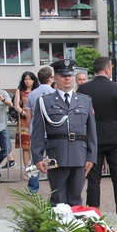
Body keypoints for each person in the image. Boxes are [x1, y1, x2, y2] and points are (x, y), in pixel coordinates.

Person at [30, 59, 97, 206]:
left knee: (76, 199)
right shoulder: (45, 101)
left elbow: (91, 131)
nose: (67, 78)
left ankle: (75, 228)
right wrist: (37, 157)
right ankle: (58, 228)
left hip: (79, 154)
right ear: (55, 78)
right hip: (57, 155)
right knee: (58, 200)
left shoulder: (85, 101)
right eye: (63, 75)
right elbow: (38, 132)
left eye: (70, 75)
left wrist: (91, 156)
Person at [78, 57, 117, 227]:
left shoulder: (83, 88)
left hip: (93, 137)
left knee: (93, 179)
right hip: (114, 136)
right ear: (108, 70)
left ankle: (93, 217)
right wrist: (116, 120)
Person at [25, 66, 55, 193]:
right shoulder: (54, 93)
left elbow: (28, 115)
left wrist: (30, 128)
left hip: (36, 130)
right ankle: (55, 185)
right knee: (54, 158)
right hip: (51, 131)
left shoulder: (32, 94)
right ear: (50, 78)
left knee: (35, 158)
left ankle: (32, 187)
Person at [13, 72, 38, 176]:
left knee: (36, 145)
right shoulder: (20, 91)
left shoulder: (37, 91)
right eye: (26, 79)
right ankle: (28, 170)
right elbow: (16, 106)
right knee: (26, 146)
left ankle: (37, 168)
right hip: (24, 120)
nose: (28, 81)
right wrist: (24, 113)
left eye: (30, 79)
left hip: (36, 119)